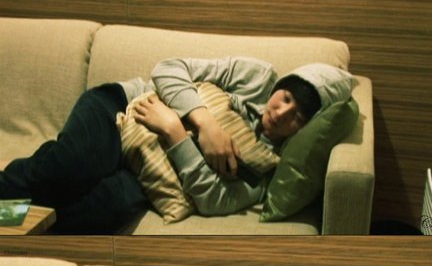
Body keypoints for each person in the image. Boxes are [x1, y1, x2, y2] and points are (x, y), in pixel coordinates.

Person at [0, 57, 352, 233]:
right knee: (74, 166)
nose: (282, 112)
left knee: (102, 209)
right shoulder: (256, 76)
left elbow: (215, 200)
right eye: (286, 97)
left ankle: (9, 225)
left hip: (145, 171)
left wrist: (175, 133)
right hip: (121, 108)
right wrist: (204, 123)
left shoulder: (265, 165)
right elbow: (169, 68)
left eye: (298, 117)